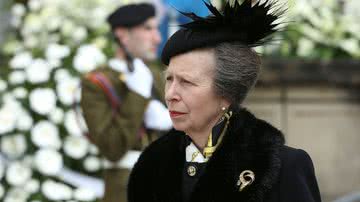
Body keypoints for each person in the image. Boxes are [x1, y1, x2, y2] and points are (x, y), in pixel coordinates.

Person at [127, 0, 322, 202]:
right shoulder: (151, 165)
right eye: (169, 79)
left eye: (187, 82)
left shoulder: (285, 167)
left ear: (226, 94)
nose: (170, 94)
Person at [80, 3, 172, 202]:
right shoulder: (97, 83)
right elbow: (112, 148)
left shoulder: (158, 75)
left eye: (157, 29)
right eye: (148, 29)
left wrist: (175, 122)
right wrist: (137, 96)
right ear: (122, 34)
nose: (157, 38)